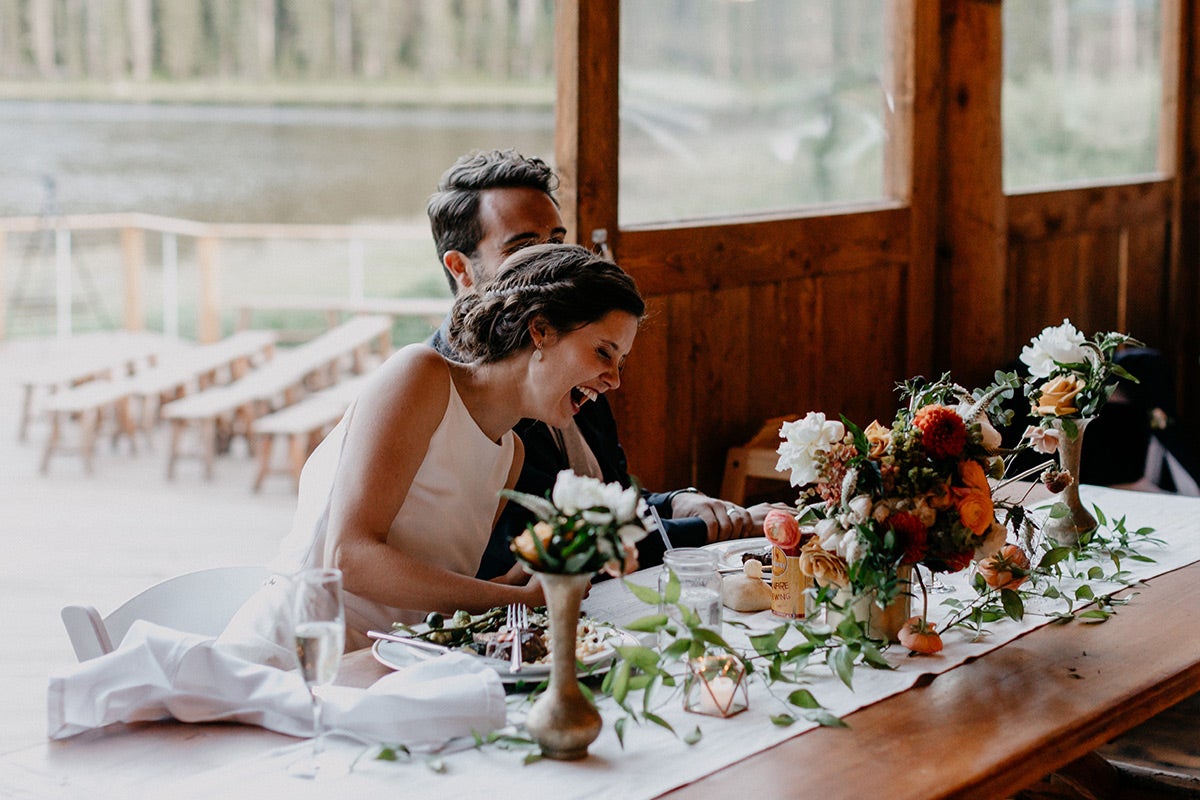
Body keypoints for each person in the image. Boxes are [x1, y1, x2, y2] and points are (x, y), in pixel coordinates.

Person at [225, 243, 646, 660]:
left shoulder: (510, 454)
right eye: (603, 352)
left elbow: (437, 591)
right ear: (541, 330)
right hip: (298, 651)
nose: (614, 381)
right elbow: (349, 558)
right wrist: (515, 599)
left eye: (620, 362)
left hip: (394, 662)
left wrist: (538, 574)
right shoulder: (420, 377)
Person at [426, 149, 768, 579]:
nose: (550, 262)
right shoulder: (450, 386)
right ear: (461, 268)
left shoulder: (578, 353)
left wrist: (678, 501)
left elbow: (609, 497)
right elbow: (541, 543)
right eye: (525, 247)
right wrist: (710, 531)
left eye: (556, 241)